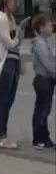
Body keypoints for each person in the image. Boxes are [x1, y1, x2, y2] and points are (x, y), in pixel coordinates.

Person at [0, 0, 28, 149]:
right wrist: (19, 34)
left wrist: (21, 30)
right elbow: (10, 43)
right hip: (5, 63)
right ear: (6, 0)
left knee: (9, 100)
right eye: (15, 1)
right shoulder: (0, 19)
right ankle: (0, 135)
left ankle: (3, 134)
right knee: (2, 100)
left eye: (18, 2)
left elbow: (17, 42)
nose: (17, 5)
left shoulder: (10, 18)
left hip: (13, 61)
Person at [30, 13, 55, 149]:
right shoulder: (40, 44)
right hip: (43, 79)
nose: (51, 27)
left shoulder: (45, 42)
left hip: (47, 79)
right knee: (42, 109)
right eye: (49, 25)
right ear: (41, 28)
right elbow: (49, 64)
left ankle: (44, 137)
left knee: (45, 109)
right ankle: (39, 138)